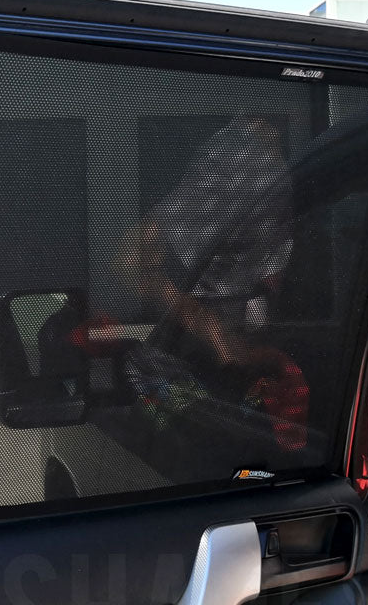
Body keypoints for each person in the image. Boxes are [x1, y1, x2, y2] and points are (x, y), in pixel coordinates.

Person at [112, 116, 308, 452]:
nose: (273, 150)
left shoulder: (301, 201)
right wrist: (210, 329)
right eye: (258, 142)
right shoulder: (226, 183)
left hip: (261, 378)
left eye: (276, 144)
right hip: (198, 382)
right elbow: (130, 259)